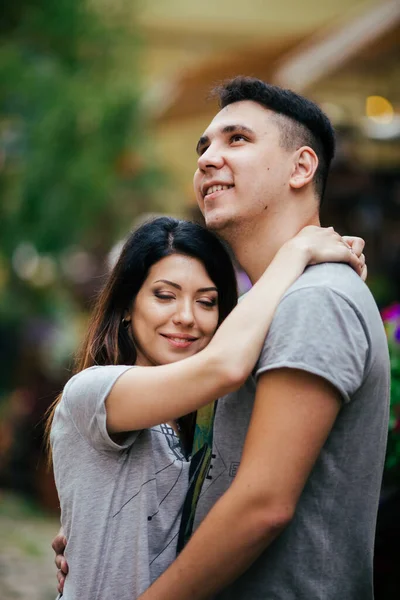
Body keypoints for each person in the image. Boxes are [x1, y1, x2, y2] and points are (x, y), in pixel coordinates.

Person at [131, 78, 390, 599]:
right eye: (204, 146)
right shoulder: (266, 304)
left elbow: (263, 505)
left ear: (301, 167)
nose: (207, 159)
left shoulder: (316, 300)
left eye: (237, 139)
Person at [48, 215, 364, 599]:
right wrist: (296, 253)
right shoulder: (92, 391)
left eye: (207, 302)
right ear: (127, 306)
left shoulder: (201, 423)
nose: (186, 317)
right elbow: (227, 366)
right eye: (164, 295)